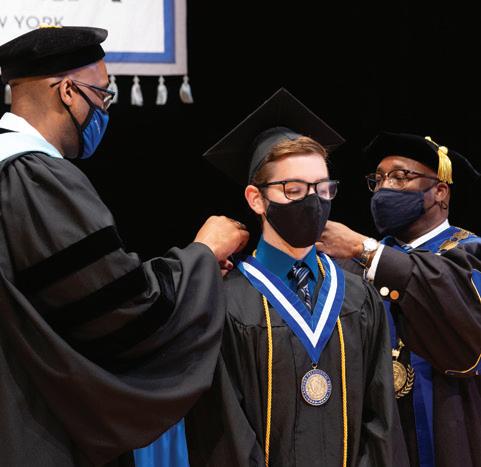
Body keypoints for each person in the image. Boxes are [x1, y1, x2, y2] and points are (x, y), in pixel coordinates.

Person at [0, 26, 249, 466]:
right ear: (68, 92)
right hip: (36, 427)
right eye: (102, 94)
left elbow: (74, 292)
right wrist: (202, 256)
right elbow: (117, 311)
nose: (104, 108)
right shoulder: (36, 178)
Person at [185, 89, 408, 466]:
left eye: (323, 189)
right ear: (256, 199)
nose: (313, 201)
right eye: (294, 190)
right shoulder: (226, 303)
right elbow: (224, 436)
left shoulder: (358, 297)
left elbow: (382, 425)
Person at [318, 131, 481, 467]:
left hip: (452, 420)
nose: (384, 188)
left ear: (440, 191)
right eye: (378, 179)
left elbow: (458, 310)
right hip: (380, 432)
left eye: (400, 176)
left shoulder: (469, 253)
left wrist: (366, 250)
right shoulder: (353, 265)